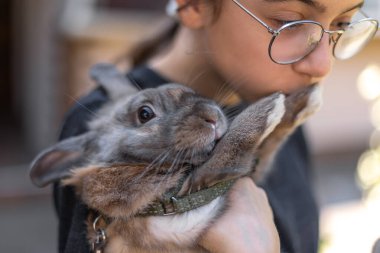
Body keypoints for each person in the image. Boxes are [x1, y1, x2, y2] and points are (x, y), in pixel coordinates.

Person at [53, 0, 379, 252]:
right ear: (194, 3)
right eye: (289, 22)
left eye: (341, 24)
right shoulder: (107, 134)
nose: (323, 64)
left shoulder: (277, 110)